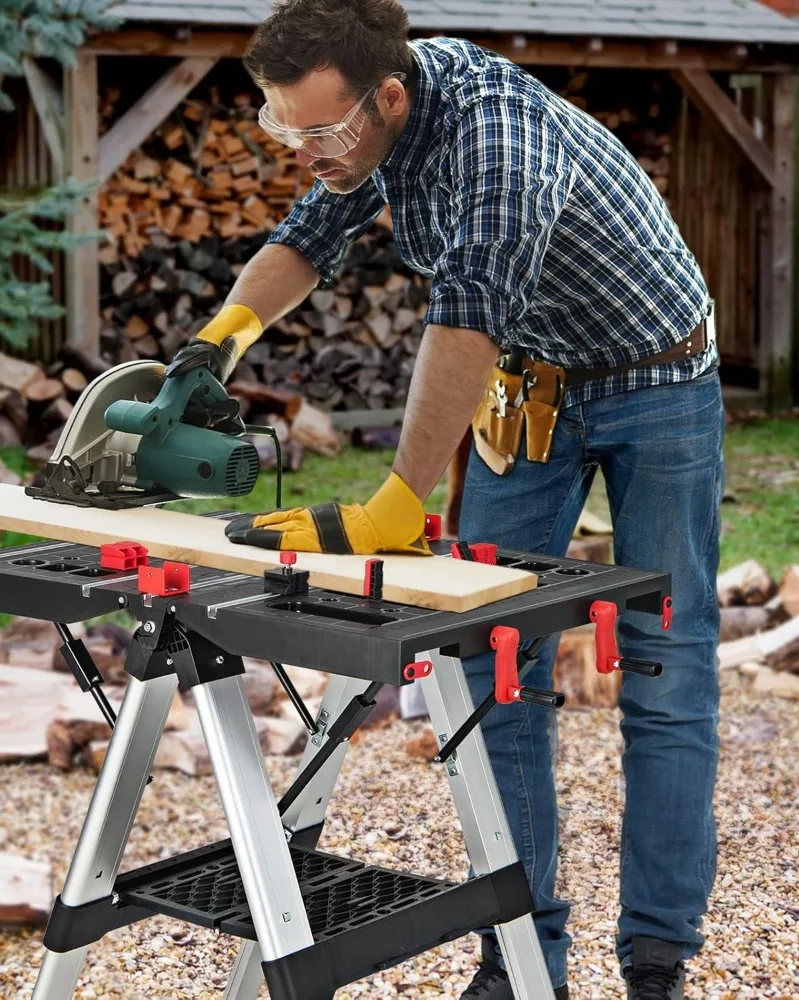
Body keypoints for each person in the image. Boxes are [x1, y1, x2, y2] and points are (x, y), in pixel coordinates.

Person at [165, 2, 724, 997]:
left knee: (663, 668)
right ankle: (519, 958)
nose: (303, 150)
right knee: (484, 664)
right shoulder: (359, 127)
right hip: (532, 386)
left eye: (316, 130)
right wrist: (217, 342)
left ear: (388, 96)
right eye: (280, 127)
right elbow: (304, 238)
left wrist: (397, 500)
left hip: (657, 383)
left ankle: (654, 961)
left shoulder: (496, 140)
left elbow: (465, 320)